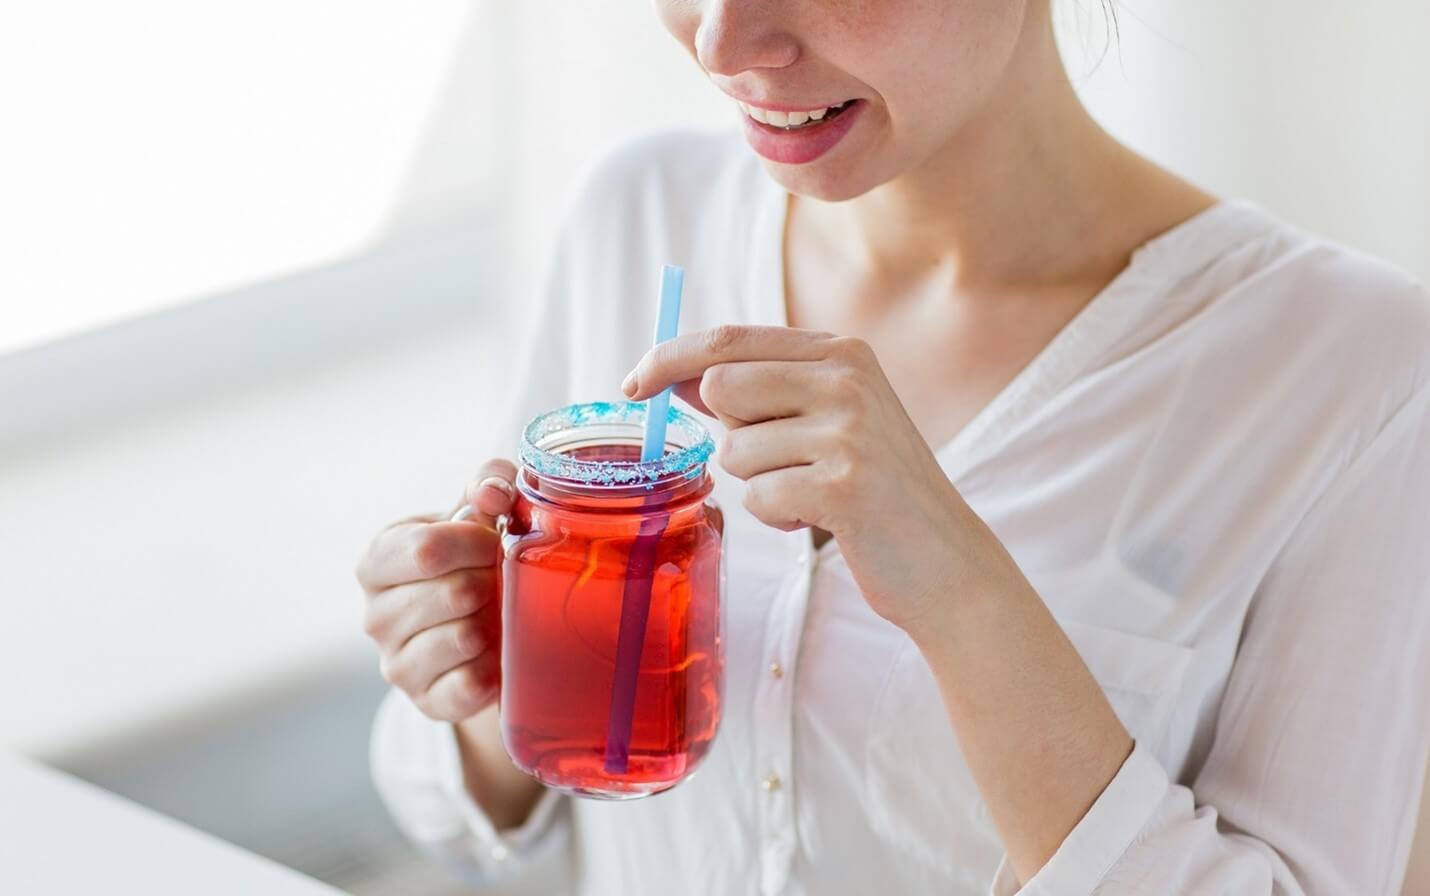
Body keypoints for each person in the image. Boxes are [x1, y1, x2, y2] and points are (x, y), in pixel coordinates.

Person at [354, 1, 1430, 892]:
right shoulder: (639, 211)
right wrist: (489, 667)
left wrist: (959, 584)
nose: (721, 43)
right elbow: (455, 798)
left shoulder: (1356, 373)